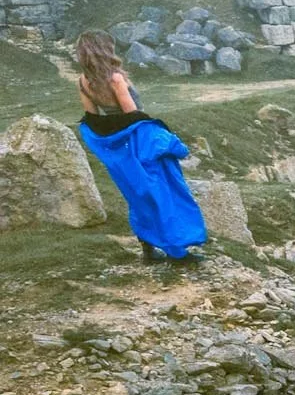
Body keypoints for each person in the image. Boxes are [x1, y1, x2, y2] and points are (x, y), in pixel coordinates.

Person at [73, 29, 208, 261]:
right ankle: (177, 249)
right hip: (140, 143)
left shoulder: (84, 81)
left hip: (121, 148)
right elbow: (133, 116)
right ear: (105, 50)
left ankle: (148, 250)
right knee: (164, 192)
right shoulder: (115, 79)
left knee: (138, 195)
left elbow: (93, 118)